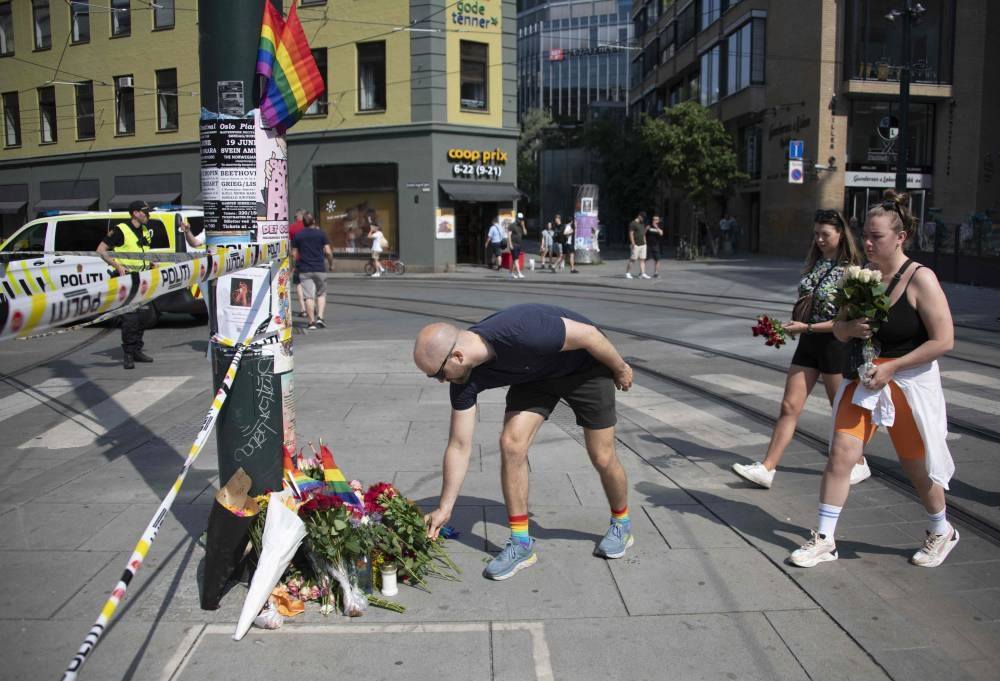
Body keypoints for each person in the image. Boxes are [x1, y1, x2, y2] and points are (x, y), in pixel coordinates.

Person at [790, 191, 959, 569]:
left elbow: (944, 340)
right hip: (865, 378)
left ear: (900, 237)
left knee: (915, 465)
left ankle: (941, 529)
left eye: (876, 236)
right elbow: (840, 330)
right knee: (841, 454)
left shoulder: (921, 279)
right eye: (864, 234)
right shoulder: (860, 277)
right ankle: (824, 538)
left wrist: (893, 368)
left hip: (906, 380)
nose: (867, 242)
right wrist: (847, 328)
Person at [413, 304, 635, 581]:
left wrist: (621, 368)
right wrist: (446, 507)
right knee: (511, 444)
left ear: (457, 356)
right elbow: (459, 445)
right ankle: (520, 544)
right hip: (535, 376)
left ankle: (621, 523)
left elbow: (590, 335)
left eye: (437, 374)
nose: (439, 381)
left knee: (602, 456)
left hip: (584, 367)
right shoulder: (463, 378)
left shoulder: (522, 331)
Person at [732, 209, 869, 489]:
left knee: (840, 412)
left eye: (825, 234)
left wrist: (805, 328)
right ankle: (767, 469)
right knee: (789, 406)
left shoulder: (852, 271)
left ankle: (858, 462)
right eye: (816, 233)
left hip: (834, 344)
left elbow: (845, 321)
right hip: (808, 343)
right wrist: (789, 326)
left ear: (841, 235)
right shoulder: (816, 263)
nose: (819, 239)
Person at [97, 200, 156, 370]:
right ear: (135, 213)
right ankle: (128, 354)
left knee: (144, 316)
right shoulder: (121, 230)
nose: (148, 216)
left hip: (143, 278)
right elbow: (101, 250)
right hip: (127, 279)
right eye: (146, 213)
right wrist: (117, 265)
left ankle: (137, 349)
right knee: (131, 318)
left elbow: (143, 252)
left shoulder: (145, 230)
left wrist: (151, 264)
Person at [291, 212, 332, 330]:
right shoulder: (321, 234)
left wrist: (295, 266)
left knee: (308, 297)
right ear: (314, 221)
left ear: (303, 222)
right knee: (321, 293)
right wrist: (331, 263)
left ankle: (311, 322)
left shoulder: (298, 236)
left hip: (304, 269)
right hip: (319, 268)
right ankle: (320, 318)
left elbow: (294, 254)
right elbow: (328, 252)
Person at [288, 209, 307, 317]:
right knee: (310, 284)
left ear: (297, 217)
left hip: (298, 259)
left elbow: (290, 247)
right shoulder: (310, 227)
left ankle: (303, 309)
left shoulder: (292, 228)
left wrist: (292, 265)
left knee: (299, 284)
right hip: (311, 260)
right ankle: (311, 304)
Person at [624, 211, 650, 279]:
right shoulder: (633, 223)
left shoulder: (642, 223)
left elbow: (643, 233)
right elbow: (631, 234)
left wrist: (645, 242)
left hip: (643, 244)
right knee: (633, 259)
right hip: (636, 244)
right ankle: (627, 273)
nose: (643, 219)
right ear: (639, 216)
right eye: (642, 217)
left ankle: (643, 273)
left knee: (642, 259)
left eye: (644, 218)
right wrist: (633, 243)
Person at [508, 213, 526, 279]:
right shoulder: (512, 225)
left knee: (514, 259)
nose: (521, 220)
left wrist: (523, 226)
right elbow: (509, 235)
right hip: (514, 244)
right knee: (516, 259)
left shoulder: (521, 226)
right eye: (519, 219)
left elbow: (525, 233)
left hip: (519, 244)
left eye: (521, 219)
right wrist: (510, 244)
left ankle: (510, 273)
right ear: (516, 218)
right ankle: (519, 273)